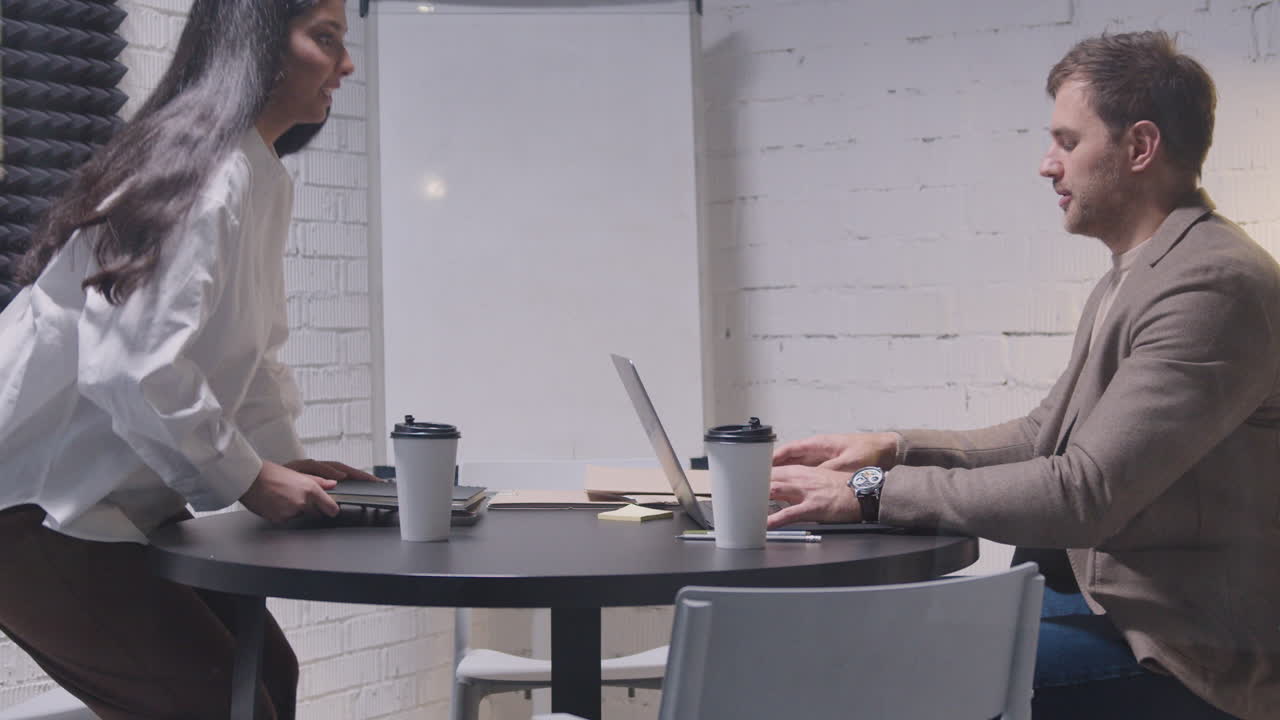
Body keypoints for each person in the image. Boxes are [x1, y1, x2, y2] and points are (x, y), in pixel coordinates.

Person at [767, 31, 1278, 720]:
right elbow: (1048, 434)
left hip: (1179, 642)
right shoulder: (1142, 270)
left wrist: (866, 492)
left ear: (1140, 147)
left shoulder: (1212, 287)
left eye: (1067, 141)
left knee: (852, 673)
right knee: (839, 650)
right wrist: (892, 447)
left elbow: (1083, 492)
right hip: (1096, 599)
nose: (1047, 164)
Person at [0, 1, 373, 718]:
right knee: (212, 705)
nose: (344, 66)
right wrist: (249, 476)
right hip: (32, 510)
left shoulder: (256, 173)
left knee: (268, 677)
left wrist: (282, 462)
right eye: (324, 39)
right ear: (257, 46)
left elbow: (252, 355)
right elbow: (131, 368)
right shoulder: (203, 173)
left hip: (98, 510)